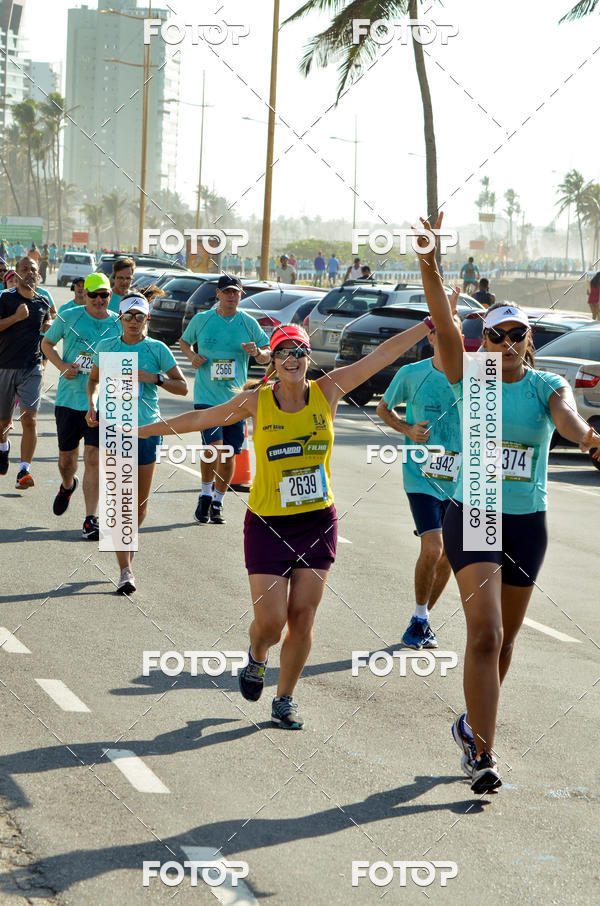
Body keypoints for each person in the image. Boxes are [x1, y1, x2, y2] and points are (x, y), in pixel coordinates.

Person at [140, 318, 433, 729]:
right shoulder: (256, 401)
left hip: (316, 522)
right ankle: (257, 656)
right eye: (283, 353)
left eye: (299, 352)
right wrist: (142, 430)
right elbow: (201, 420)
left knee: (303, 618)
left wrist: (428, 324)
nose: (292, 359)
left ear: (308, 357)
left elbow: (381, 356)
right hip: (268, 524)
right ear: (273, 361)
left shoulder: (327, 390)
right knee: (271, 623)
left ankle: (284, 699)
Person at [415, 212, 600, 794]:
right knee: (486, 634)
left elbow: (567, 420)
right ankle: (484, 756)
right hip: (473, 514)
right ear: (485, 341)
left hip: (527, 522)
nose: (508, 343)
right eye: (497, 335)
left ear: (528, 340)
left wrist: (590, 439)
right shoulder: (469, 376)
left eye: (518, 334)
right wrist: (428, 261)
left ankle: (471, 726)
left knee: (507, 642)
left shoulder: (549, 386)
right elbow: (444, 325)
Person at [377, 294, 462, 651]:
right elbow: (383, 409)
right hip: (421, 476)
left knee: (450, 555)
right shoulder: (411, 374)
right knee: (433, 547)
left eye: (455, 331)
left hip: (459, 480)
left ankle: (421, 619)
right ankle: (419, 616)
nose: (449, 337)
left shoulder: (474, 377)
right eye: (442, 330)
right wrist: (407, 429)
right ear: (430, 337)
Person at [86, 293, 187, 593]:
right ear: (120, 318)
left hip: (146, 431)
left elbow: (182, 387)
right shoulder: (107, 347)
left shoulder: (157, 349)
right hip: (115, 429)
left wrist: (154, 378)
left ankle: (125, 544)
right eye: (128, 316)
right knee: (121, 501)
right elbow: (93, 380)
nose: (133, 321)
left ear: (147, 319)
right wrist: (92, 404)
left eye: (139, 316)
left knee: (139, 505)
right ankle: (125, 569)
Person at [179, 274, 270, 524]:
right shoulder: (202, 319)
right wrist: (192, 356)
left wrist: (258, 352)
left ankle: (218, 501)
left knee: (229, 453)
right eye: (226, 292)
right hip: (207, 397)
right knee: (213, 447)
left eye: (235, 292)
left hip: (236, 399)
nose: (231, 296)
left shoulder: (248, 322)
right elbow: (184, 342)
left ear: (241, 295)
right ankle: (205, 494)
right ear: (218, 294)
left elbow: (268, 354)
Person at [41, 273, 121, 539]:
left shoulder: (118, 323)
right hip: (69, 400)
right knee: (67, 460)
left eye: (104, 295)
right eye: (93, 295)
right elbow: (47, 343)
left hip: (100, 404)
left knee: (93, 457)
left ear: (110, 295)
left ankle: (90, 519)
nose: (99, 300)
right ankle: (67, 485)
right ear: (84, 294)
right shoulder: (69, 317)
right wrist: (62, 366)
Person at [0, 256, 52, 487]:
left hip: (32, 367)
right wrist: (15, 318)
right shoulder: (5, 297)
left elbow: (47, 325)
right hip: (4, 366)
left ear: (38, 274)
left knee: (29, 419)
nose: (29, 272)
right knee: (2, 423)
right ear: (17, 273)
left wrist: (49, 327)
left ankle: (24, 470)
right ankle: (3, 447)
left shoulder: (43, 301)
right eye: (25, 269)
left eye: (33, 269)